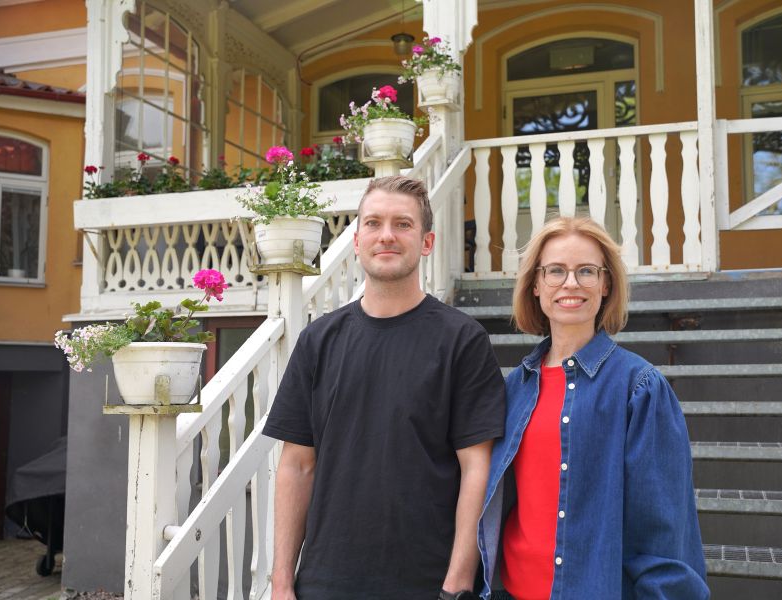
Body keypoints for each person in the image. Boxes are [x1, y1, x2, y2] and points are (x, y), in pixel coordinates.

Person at [263, 175, 505, 600]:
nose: (387, 235)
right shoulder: (318, 340)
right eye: (373, 224)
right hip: (324, 583)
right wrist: (282, 581)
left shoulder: (462, 340)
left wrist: (459, 582)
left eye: (403, 224)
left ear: (427, 242)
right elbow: (297, 466)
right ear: (357, 241)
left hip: (426, 583)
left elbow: (476, 469)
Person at [478, 217, 708, 600]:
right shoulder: (514, 387)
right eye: (556, 271)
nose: (571, 283)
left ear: (605, 284)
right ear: (535, 285)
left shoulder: (640, 389)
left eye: (586, 270)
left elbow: (664, 534)